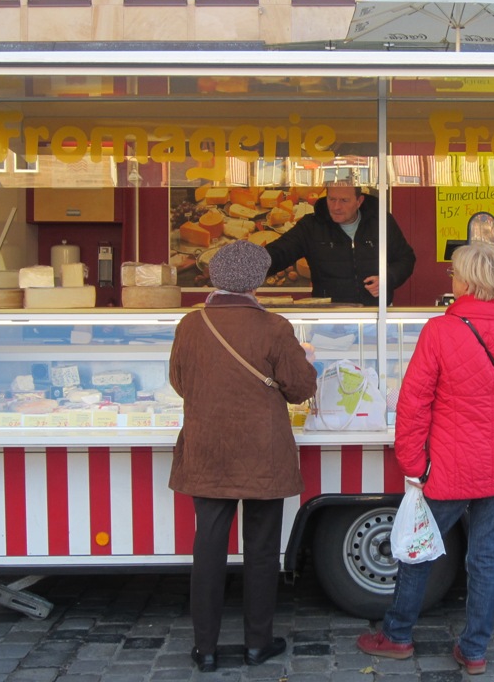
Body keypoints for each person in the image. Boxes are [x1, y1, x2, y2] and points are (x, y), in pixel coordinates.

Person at [356, 242, 494, 675]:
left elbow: (413, 403)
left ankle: (398, 635)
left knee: (417, 551)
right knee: (485, 557)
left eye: (454, 273)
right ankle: (474, 650)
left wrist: (413, 463)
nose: (452, 279)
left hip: (448, 465)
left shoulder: (440, 331)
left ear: (466, 281)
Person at [168, 240, 318, 673]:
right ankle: (257, 643)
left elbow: (180, 381)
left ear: (215, 277)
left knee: (209, 549)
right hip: (263, 452)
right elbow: (300, 388)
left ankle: (206, 649)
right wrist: (305, 361)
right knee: (262, 550)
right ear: (260, 281)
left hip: (207, 448)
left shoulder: (190, 324)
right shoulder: (274, 327)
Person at [264, 181, 416, 305]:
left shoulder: (381, 222)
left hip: (374, 315)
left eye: (344, 200)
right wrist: (248, 264)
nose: (336, 207)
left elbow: (405, 258)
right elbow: (279, 253)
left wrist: (388, 278)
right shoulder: (311, 226)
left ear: (359, 201)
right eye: (332, 199)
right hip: (327, 319)